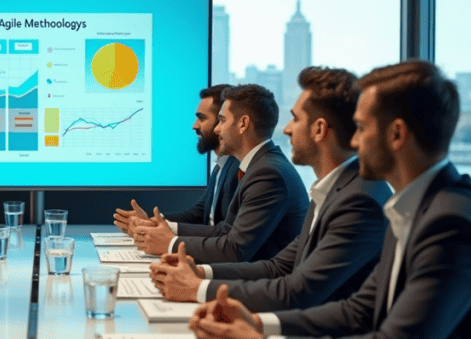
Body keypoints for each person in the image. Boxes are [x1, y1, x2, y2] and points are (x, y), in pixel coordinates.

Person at [190, 60, 471, 339]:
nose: (352, 140)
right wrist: (256, 324)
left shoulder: (453, 223)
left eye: (363, 128)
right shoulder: (419, 205)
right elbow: (359, 312)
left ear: (396, 134)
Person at [150, 67, 391, 311]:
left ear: (319, 129)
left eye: (295, 119)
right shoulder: (334, 190)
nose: (286, 129)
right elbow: (279, 267)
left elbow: (297, 291)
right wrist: (199, 272)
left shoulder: (359, 200)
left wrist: (197, 288)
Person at [133, 84, 308, 263]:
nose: (218, 129)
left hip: (258, 284)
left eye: (223, 120)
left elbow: (234, 249)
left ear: (243, 124)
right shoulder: (258, 166)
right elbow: (227, 231)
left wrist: (170, 243)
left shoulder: (268, 173)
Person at [113, 84, 240, 235]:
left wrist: (163, 232)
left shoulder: (238, 168)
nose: (194, 126)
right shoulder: (222, 165)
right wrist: (151, 220)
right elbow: (199, 213)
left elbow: (227, 233)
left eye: (201, 118)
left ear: (221, 121)